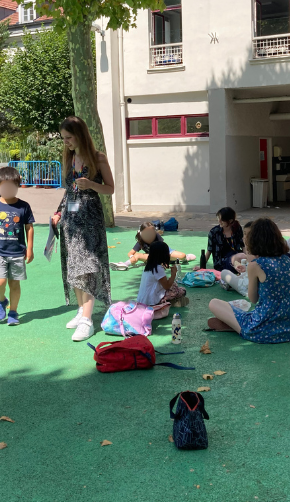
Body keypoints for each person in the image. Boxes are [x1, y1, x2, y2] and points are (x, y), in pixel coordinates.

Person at [52, 116, 115, 342]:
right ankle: (82, 312)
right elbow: (69, 192)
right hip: (71, 220)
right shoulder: (69, 157)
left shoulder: (97, 158)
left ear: (80, 135)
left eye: (69, 137)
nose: (66, 142)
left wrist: (91, 185)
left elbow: (110, 188)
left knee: (88, 266)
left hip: (91, 218)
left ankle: (87, 320)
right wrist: (58, 213)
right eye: (64, 138)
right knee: (75, 266)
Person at [207, 217, 290, 343]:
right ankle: (234, 323)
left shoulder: (256, 265)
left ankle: (235, 325)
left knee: (214, 303)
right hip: (289, 330)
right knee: (247, 312)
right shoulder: (288, 259)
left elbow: (253, 299)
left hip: (261, 330)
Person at [0, 166, 35, 326]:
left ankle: (13, 312)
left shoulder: (24, 206)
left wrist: (29, 248)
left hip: (17, 252)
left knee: (14, 284)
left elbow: (29, 228)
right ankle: (2, 300)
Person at [110, 221, 195, 271]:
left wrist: (162, 261)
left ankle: (186, 258)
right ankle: (124, 264)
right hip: (152, 258)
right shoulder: (141, 241)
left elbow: (163, 249)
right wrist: (132, 256)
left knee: (182, 255)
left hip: (164, 253)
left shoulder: (157, 237)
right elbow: (131, 252)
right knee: (137, 255)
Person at [137, 240, 188, 307]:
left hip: (141, 300)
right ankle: (170, 302)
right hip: (151, 301)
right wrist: (173, 274)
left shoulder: (148, 266)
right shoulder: (158, 268)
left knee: (173, 285)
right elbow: (166, 286)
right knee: (182, 291)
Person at [221, 221, 255, 296]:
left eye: (246, 234)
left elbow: (254, 269)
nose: (244, 237)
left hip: (246, 286)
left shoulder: (251, 250)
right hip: (253, 283)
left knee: (224, 272)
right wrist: (245, 269)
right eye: (244, 233)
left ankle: (229, 284)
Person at [207, 207, 245, 273]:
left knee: (246, 257)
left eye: (222, 220)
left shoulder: (237, 229)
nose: (219, 221)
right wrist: (201, 266)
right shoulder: (214, 232)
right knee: (240, 256)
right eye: (218, 218)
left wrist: (248, 258)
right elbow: (209, 250)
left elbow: (243, 245)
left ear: (230, 221)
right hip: (221, 263)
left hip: (237, 257)